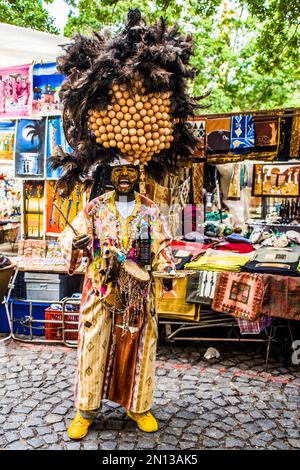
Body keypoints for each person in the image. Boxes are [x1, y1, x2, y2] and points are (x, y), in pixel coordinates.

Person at [59, 162, 175, 440]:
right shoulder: (94, 208)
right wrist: (75, 245)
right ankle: (85, 410)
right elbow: (68, 237)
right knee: (92, 346)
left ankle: (139, 407)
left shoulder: (150, 209)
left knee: (141, 348)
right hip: (100, 288)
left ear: (139, 174)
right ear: (110, 174)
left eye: (130, 170)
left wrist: (168, 266)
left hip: (138, 293)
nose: (124, 175)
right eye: (118, 170)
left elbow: (162, 246)